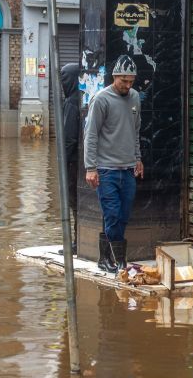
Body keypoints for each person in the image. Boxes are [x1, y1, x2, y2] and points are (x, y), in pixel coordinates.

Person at [84, 55, 144, 272]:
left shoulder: (135, 98)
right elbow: (90, 135)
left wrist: (137, 158)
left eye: (131, 82)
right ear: (114, 77)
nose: (127, 86)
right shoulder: (101, 99)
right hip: (106, 169)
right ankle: (120, 262)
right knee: (112, 214)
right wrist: (91, 168)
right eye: (123, 81)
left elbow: (135, 130)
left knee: (122, 216)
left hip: (128, 168)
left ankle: (104, 258)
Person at [61, 62, 82, 254]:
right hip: (86, 161)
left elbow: (69, 136)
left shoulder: (71, 102)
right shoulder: (85, 97)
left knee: (74, 202)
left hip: (73, 162)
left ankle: (77, 243)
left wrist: (63, 161)